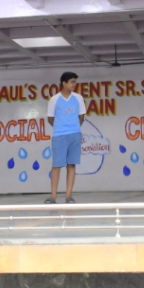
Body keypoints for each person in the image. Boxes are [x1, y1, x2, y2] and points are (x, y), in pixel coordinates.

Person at [46, 71, 87, 204]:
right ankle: (53, 196)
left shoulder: (78, 98)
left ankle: (68, 195)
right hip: (59, 135)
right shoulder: (54, 99)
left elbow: (82, 116)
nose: (74, 84)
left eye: (75, 82)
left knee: (71, 164)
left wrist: (74, 128)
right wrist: (61, 128)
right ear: (64, 83)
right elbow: (50, 118)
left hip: (75, 134)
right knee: (56, 165)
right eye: (72, 82)